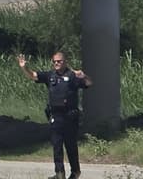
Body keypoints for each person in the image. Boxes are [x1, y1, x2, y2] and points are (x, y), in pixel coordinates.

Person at [18, 51, 92, 179]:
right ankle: (59, 173)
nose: (56, 63)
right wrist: (24, 67)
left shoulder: (73, 76)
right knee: (57, 146)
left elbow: (89, 84)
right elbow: (34, 76)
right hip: (56, 117)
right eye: (54, 61)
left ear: (65, 62)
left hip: (70, 117)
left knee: (71, 147)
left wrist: (84, 76)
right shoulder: (50, 76)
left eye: (59, 61)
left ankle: (75, 172)